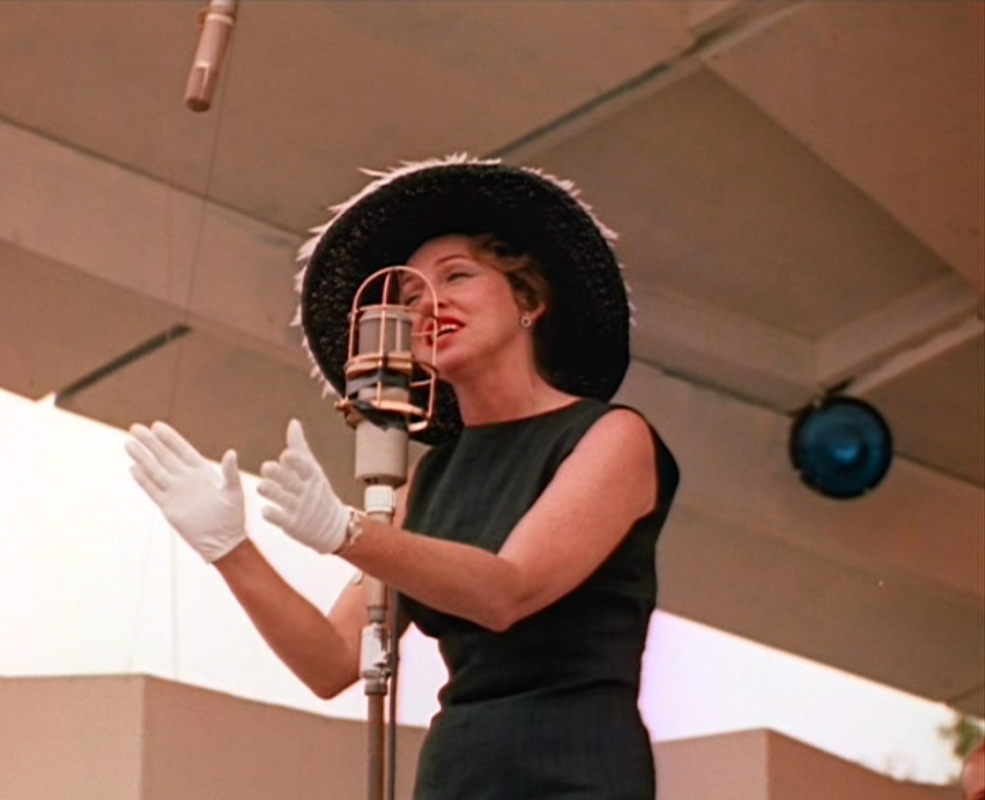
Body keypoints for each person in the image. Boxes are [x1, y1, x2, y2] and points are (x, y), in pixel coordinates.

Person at [125, 155, 680, 800]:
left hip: (575, 768)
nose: (429, 305)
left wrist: (348, 533)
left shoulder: (611, 437)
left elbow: (507, 591)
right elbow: (333, 661)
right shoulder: (431, 479)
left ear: (528, 301)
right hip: (457, 773)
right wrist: (230, 548)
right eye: (411, 299)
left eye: (458, 276)